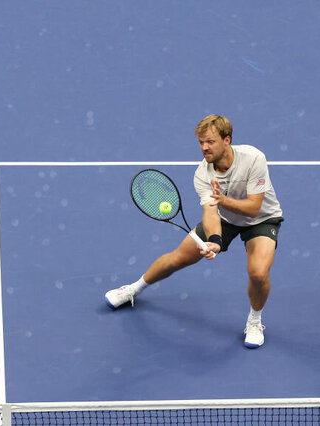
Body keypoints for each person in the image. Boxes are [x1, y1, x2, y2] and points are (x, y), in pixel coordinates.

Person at [104, 114, 283, 349]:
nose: (204, 148)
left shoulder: (253, 158)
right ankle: (133, 289)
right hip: (225, 218)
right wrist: (216, 241)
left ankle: (254, 322)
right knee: (177, 258)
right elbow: (210, 213)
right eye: (201, 142)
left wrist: (223, 200)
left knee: (258, 273)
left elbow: (253, 208)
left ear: (227, 140)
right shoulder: (202, 174)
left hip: (262, 219)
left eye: (210, 142)